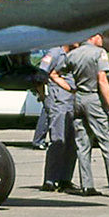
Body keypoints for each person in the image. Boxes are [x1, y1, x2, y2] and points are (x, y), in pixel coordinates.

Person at [60, 34, 109, 197]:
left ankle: (87, 185)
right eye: (101, 36)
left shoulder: (73, 54)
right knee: (108, 142)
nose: (102, 39)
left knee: (83, 144)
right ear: (94, 37)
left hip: (79, 98)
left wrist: (70, 88)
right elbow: (102, 80)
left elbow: (54, 73)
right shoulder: (99, 53)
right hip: (94, 99)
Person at [37, 43, 77, 192]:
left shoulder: (74, 54)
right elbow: (40, 75)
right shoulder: (54, 53)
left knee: (71, 143)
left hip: (72, 103)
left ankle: (65, 179)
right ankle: (50, 180)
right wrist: (43, 96)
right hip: (58, 104)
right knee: (58, 141)